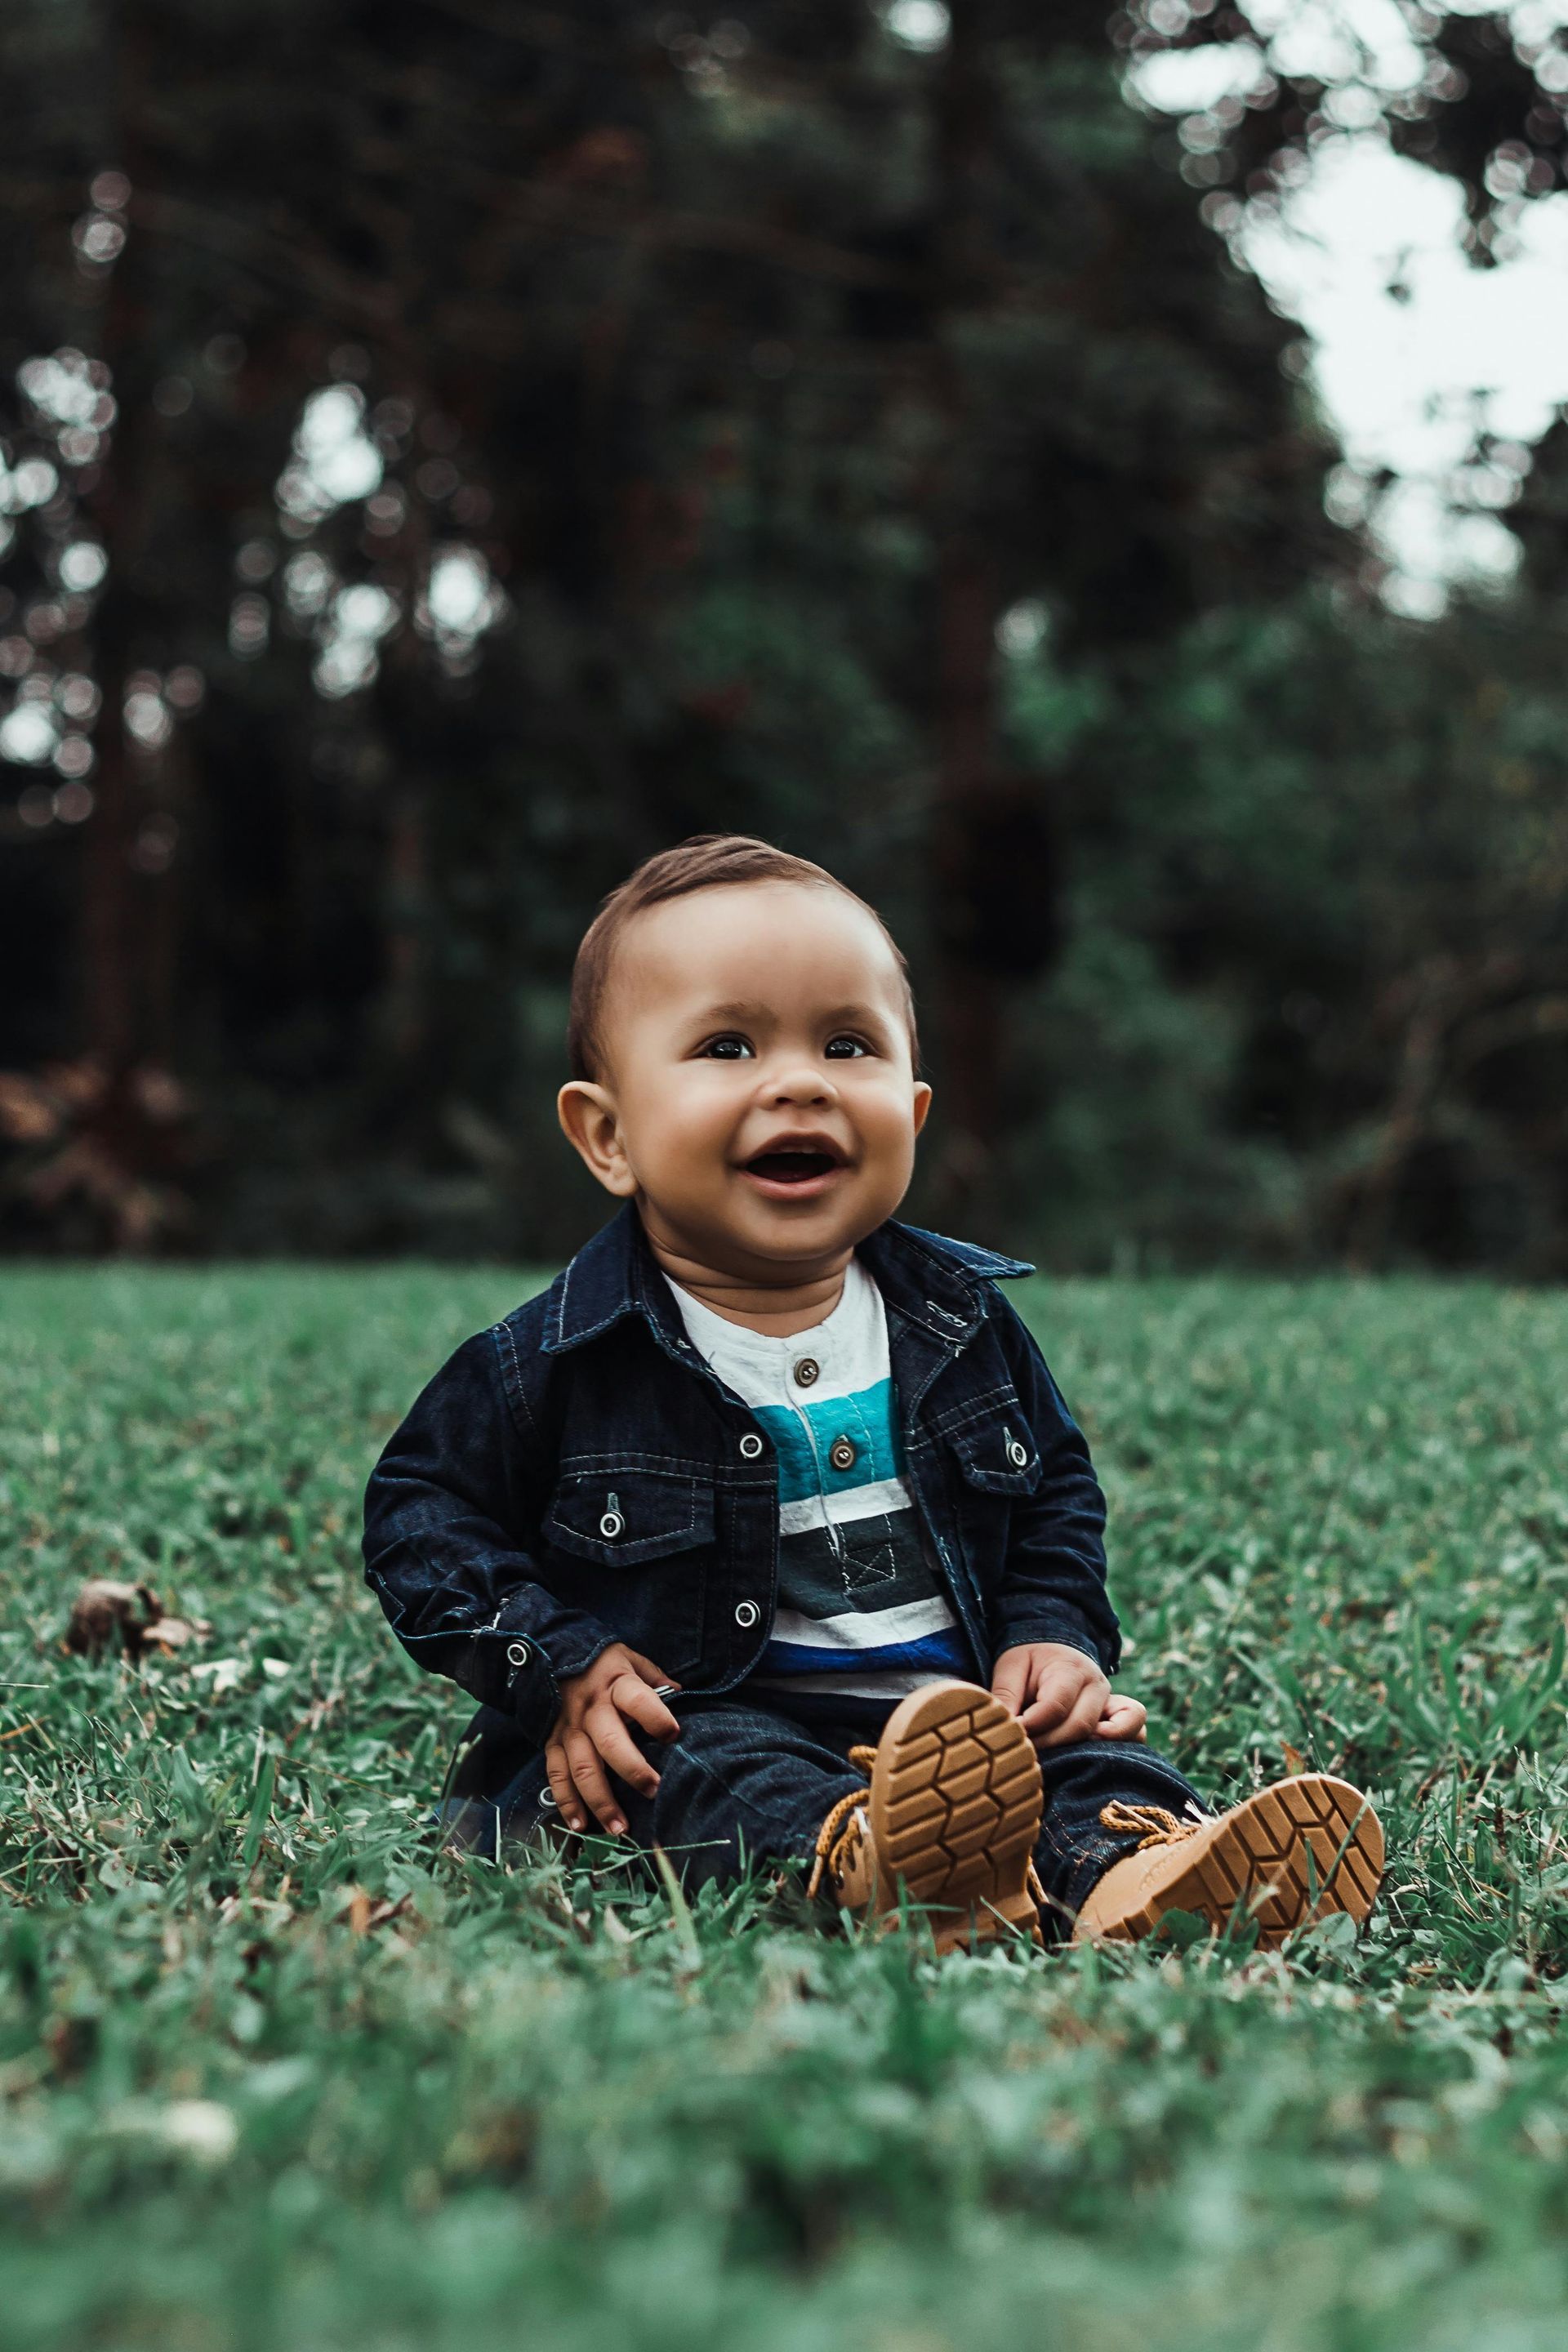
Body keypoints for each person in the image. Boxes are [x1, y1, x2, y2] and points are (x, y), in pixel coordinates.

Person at [363, 835, 1383, 1950]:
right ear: (608, 1136)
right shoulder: (554, 1359)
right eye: (728, 1044)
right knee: (695, 1769)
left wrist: (1053, 1636)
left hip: (963, 1732)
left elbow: (1053, 1495)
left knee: (1088, 1759)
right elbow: (422, 1518)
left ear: (914, 1109)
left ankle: (1138, 1876)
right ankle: (871, 1860)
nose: (800, 1080)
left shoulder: (960, 1322)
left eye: (849, 1045)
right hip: (714, 1711)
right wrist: (564, 1667)